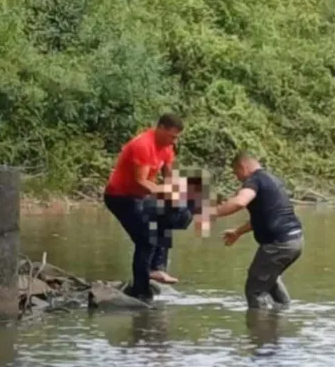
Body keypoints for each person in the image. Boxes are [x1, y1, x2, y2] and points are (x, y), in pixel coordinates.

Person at [103, 113, 192, 300]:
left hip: (140, 196)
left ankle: (157, 268)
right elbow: (141, 181)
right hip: (121, 197)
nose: (173, 141)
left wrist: (176, 194)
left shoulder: (166, 147)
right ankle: (141, 291)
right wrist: (164, 192)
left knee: (173, 214)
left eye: (176, 137)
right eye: (172, 136)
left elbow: (170, 176)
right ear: (160, 128)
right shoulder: (143, 145)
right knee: (146, 240)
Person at [211, 151, 303, 309]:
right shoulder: (272, 179)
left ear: (243, 167)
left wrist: (211, 212)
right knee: (270, 280)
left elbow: (240, 202)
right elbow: (265, 217)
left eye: (236, 172)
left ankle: (260, 332)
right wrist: (237, 232)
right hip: (295, 241)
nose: (237, 177)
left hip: (278, 245)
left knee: (254, 291)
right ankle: (283, 315)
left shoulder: (255, 180)